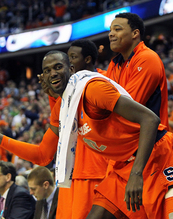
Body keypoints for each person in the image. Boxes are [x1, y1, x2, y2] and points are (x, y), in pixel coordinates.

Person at [0, 51, 173, 218]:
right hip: (122, 168)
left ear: (72, 69)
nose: (52, 73)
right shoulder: (64, 108)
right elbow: (43, 155)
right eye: (47, 70)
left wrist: (136, 174)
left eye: (58, 67)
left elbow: (150, 119)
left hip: (156, 157)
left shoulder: (92, 89)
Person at [39, 39, 109, 219]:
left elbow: (146, 118)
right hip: (70, 175)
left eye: (72, 58)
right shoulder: (66, 96)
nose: (69, 62)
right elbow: (62, 123)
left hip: (98, 173)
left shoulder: (101, 83)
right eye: (47, 71)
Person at [105, 12, 169, 129]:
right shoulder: (114, 64)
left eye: (117, 29)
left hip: (152, 142)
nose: (111, 34)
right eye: (110, 30)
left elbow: (128, 108)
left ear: (135, 33)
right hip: (124, 140)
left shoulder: (147, 58)